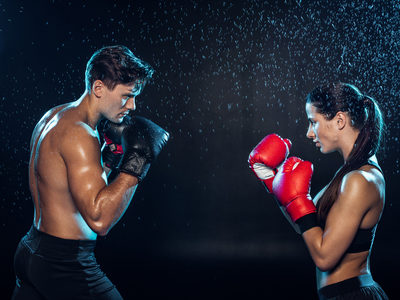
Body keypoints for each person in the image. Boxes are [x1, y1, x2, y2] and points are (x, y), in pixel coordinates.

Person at [12, 45, 169, 299]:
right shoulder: (80, 135)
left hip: (31, 250)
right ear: (98, 88)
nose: (133, 105)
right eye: (126, 95)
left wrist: (108, 160)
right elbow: (99, 220)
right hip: (64, 264)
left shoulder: (55, 115)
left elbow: (68, 186)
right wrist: (138, 161)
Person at [249, 82, 388, 299]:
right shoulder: (350, 172)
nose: (309, 133)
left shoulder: (359, 180)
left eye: (313, 122)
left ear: (340, 120)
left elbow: (324, 257)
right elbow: (307, 228)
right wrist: (274, 183)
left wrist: (297, 200)